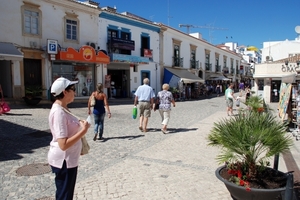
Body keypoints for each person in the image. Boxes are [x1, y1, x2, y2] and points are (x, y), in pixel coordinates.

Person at [48, 77, 90, 200]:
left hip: (69, 159)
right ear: (65, 92)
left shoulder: (63, 108)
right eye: (72, 89)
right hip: (64, 161)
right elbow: (63, 144)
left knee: (66, 194)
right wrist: (83, 131)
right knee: (64, 196)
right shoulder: (59, 112)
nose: (75, 92)